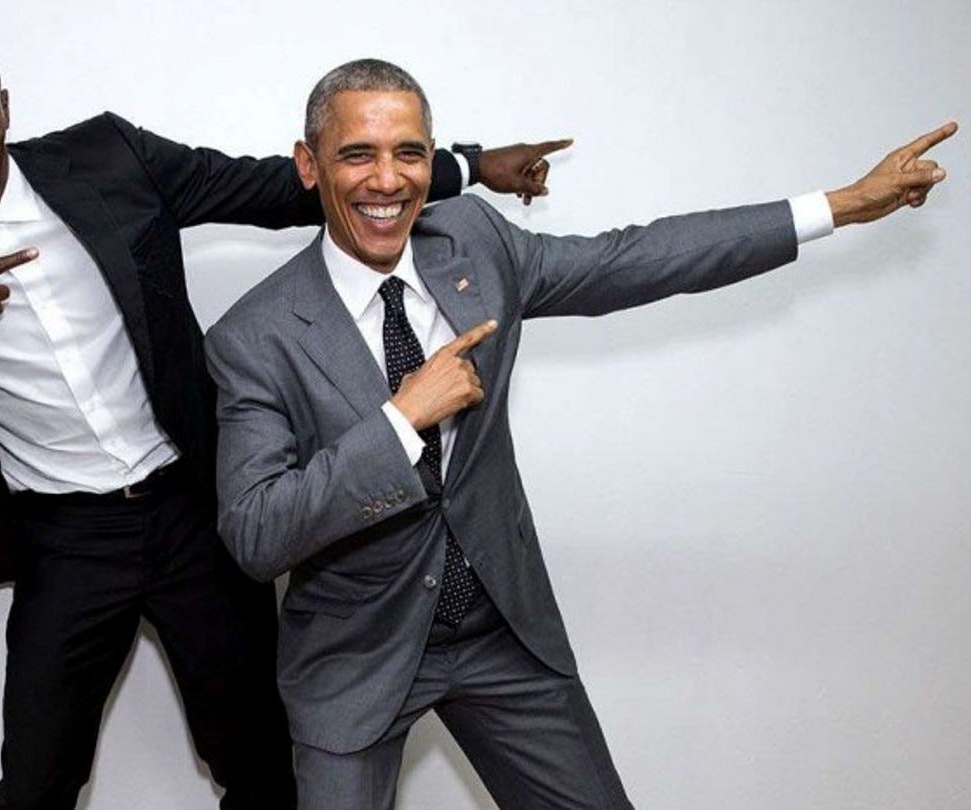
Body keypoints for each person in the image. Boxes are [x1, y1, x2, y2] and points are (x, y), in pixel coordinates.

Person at [0, 18, 566, 809]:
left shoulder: (106, 158)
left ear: (5, 106)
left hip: (194, 513)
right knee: (34, 785)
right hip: (66, 540)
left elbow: (278, 184)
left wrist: (472, 165)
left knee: (259, 764)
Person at [206, 58, 953, 809]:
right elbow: (256, 533)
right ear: (309, 164)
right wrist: (402, 421)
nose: (388, 180)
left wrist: (840, 206)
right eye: (357, 154)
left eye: (409, 153)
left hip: (502, 634)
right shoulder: (256, 336)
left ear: (431, 159)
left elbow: (638, 258)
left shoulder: (473, 242)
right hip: (356, 660)